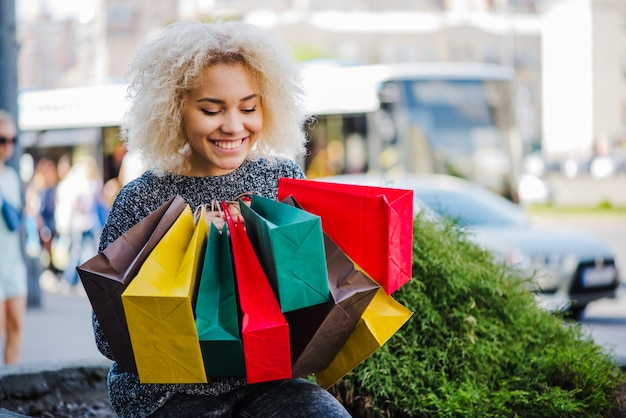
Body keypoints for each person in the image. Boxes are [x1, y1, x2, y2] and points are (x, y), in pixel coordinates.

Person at [94, 20, 351, 418]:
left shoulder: (280, 179)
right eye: (212, 109)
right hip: (167, 394)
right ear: (175, 108)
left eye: (248, 107)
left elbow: (316, 296)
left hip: (268, 380)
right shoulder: (141, 199)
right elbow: (108, 337)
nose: (233, 125)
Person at [0, 110, 28, 364]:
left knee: (16, 323)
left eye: (12, 140)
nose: (8, 146)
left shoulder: (12, 177)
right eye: (2, 139)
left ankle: (9, 379)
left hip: (13, 262)